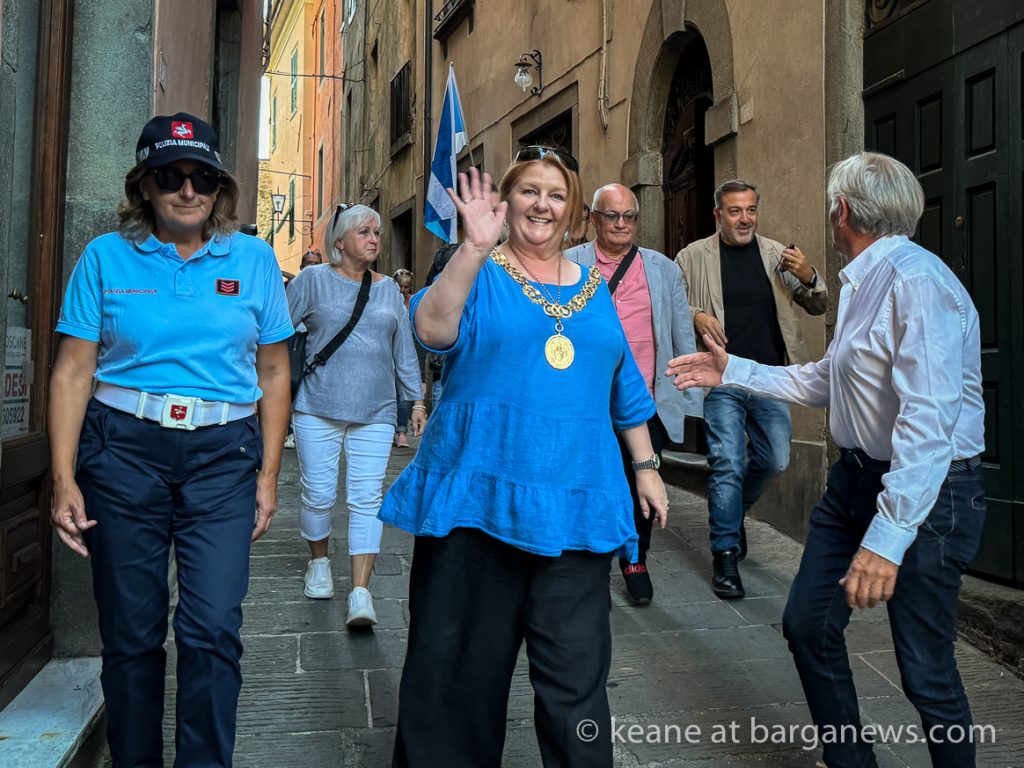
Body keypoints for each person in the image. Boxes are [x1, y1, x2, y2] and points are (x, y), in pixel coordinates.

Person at [668, 152, 986, 768]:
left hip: (931, 496)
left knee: (925, 670)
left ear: (841, 211)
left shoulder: (916, 284)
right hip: (855, 484)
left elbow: (929, 422)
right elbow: (832, 380)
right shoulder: (865, 282)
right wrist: (732, 369)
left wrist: (886, 540)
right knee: (809, 625)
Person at [381, 152, 669, 767]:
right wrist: (471, 250)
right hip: (477, 503)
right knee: (456, 680)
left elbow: (622, 384)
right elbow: (431, 331)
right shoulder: (480, 270)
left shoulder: (594, 289)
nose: (542, 205)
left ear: (575, 212)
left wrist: (645, 467)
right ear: (505, 203)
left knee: (576, 685)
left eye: (557, 195)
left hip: (576, 506)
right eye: (529, 192)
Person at [48, 112, 293, 767]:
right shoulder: (105, 257)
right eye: (170, 176)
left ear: (220, 187)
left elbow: (273, 370)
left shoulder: (255, 259)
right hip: (122, 452)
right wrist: (65, 476)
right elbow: (74, 369)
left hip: (223, 458)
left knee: (212, 628)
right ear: (145, 186)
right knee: (131, 634)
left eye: (202, 177)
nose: (188, 190)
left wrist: (268, 475)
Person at [675, 179, 827, 599]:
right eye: (735, 211)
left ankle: (732, 509)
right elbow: (671, 304)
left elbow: (818, 303)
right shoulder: (692, 257)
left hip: (769, 376)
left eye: (750, 210)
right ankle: (725, 554)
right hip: (721, 377)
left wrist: (809, 274)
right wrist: (696, 314)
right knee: (726, 462)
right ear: (718, 215)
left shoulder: (777, 254)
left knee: (776, 458)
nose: (745, 219)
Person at [286, 204, 425, 627]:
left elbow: (403, 351)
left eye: (378, 232)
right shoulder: (312, 280)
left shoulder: (387, 292)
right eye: (364, 231)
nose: (374, 238)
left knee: (367, 499)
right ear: (339, 242)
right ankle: (319, 562)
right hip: (316, 405)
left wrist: (415, 400)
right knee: (318, 493)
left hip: (376, 409)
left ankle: (361, 591)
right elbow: (277, 332)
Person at [566, 183, 701, 605]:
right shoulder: (568, 264)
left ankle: (634, 557)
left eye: (629, 217)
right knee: (587, 480)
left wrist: (687, 398)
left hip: (646, 402)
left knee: (639, 480)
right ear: (594, 219)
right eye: (612, 216)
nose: (622, 224)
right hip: (585, 401)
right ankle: (587, 558)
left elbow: (681, 335)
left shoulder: (662, 269)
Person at [283, 248, 326, 450]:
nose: (312, 267)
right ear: (301, 267)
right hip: (295, 341)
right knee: (292, 382)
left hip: (319, 345)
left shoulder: (328, 289)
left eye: (316, 264)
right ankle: (288, 429)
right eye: (308, 263)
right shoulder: (293, 286)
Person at [391, 268, 418, 449]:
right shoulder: (387, 300)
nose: (402, 290)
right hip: (387, 355)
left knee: (403, 395)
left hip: (405, 354)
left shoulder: (414, 302)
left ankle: (401, 432)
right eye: (400, 286)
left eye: (406, 287)